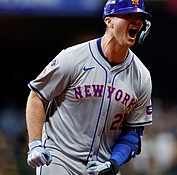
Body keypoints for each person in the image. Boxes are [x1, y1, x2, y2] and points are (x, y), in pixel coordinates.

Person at [25, 0, 153, 174]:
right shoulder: (72, 58)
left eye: (139, 17)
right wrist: (35, 144)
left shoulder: (141, 77)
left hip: (101, 165)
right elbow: (37, 96)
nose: (136, 21)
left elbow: (133, 133)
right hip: (59, 158)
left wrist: (113, 163)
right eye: (128, 15)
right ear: (109, 21)